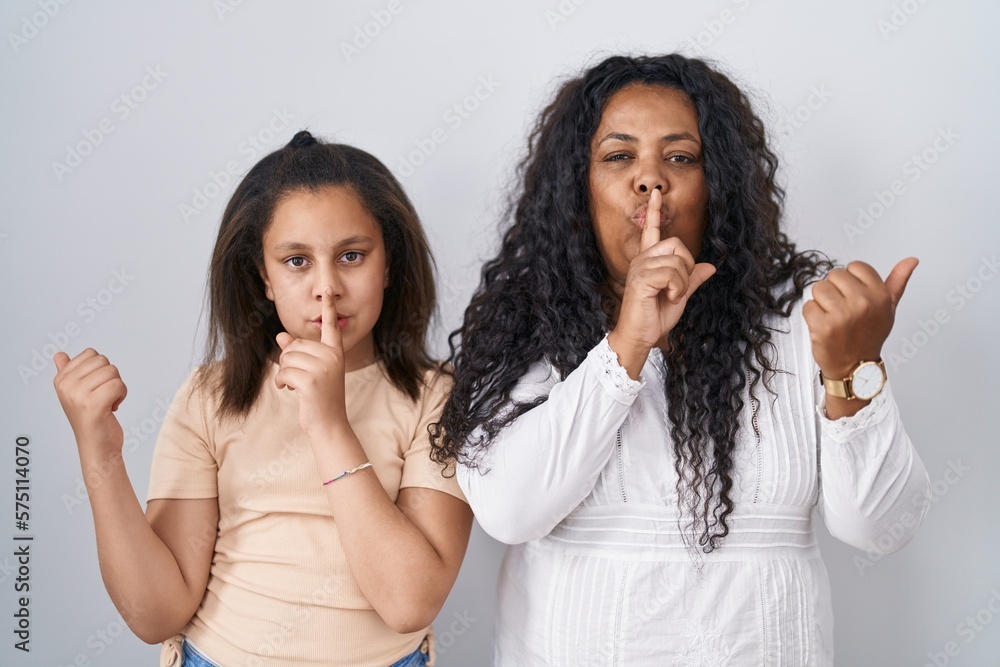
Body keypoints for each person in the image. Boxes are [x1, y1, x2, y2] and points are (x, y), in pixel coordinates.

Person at [431, 54, 930, 665]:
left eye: (681, 157)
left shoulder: (798, 317)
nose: (651, 180)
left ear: (716, 183)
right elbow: (509, 510)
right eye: (619, 157)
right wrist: (627, 345)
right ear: (576, 188)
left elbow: (879, 529)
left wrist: (854, 375)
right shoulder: (527, 323)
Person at [53, 131, 473, 667]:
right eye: (297, 261)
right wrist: (100, 455)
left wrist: (328, 424)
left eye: (351, 255)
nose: (326, 288)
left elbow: (408, 601)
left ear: (388, 265)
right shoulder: (211, 397)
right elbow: (156, 614)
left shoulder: (436, 397)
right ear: (264, 278)